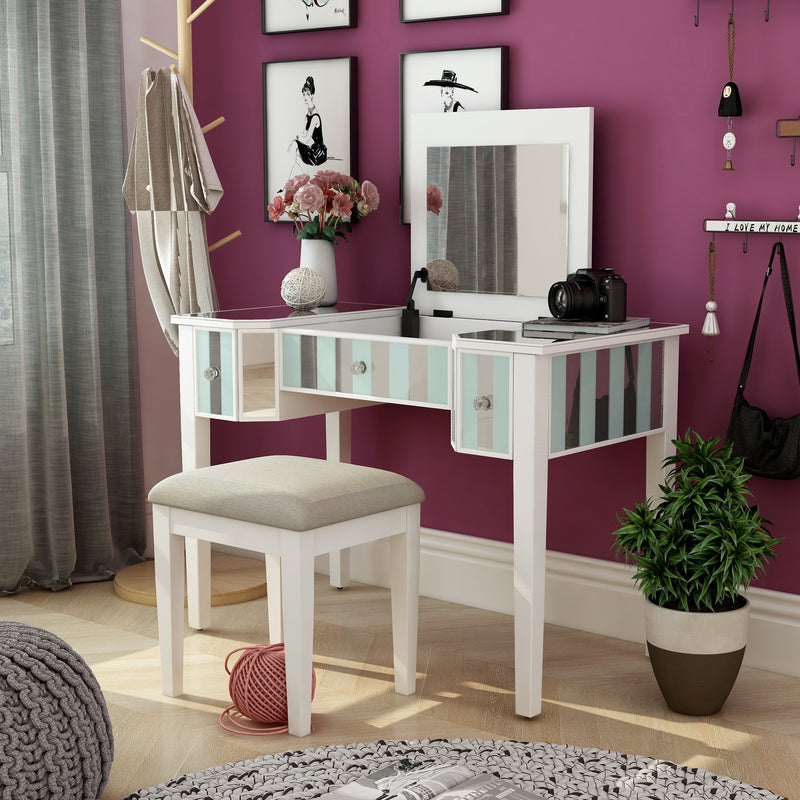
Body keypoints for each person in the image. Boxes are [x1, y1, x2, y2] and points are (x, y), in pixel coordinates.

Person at [290, 76, 327, 168]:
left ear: (312, 95)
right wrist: (297, 138)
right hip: (313, 149)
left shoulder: (315, 117)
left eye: (307, 94)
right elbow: (303, 135)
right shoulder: (307, 116)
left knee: (295, 146)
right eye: (303, 94)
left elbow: (306, 139)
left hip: (319, 153)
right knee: (294, 149)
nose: (305, 97)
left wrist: (295, 140)